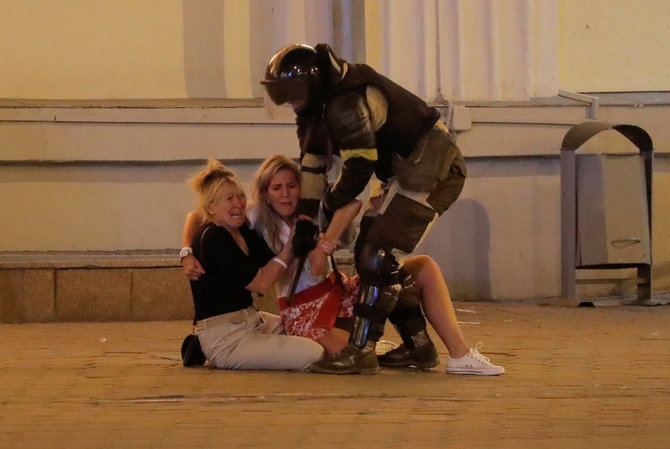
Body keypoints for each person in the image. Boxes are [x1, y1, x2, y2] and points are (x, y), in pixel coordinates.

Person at [183, 155, 504, 375]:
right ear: (265, 193)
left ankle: (459, 355)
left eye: (291, 185)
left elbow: (352, 203)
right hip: (304, 309)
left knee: (419, 268)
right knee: (355, 360)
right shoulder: (255, 216)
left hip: (337, 291)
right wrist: (187, 252)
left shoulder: (309, 210)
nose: (285, 194)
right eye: (276, 187)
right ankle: (407, 348)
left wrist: (327, 239)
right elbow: (197, 216)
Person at [260, 43, 469, 374]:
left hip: (431, 168)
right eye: (283, 95)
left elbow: (359, 166)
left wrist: (330, 204)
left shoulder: (346, 101)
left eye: (293, 94)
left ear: (312, 87)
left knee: (378, 255)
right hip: (403, 172)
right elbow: (312, 167)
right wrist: (304, 223)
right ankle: (419, 347)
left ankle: (361, 350)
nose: (291, 103)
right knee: (371, 259)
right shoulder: (316, 109)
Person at [184, 159, 324, 371]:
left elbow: (269, 260)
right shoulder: (214, 237)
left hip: (253, 321)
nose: (238, 204)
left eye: (240, 196)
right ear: (211, 207)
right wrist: (291, 245)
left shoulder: (241, 230)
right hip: (228, 338)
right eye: (229, 199)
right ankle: (209, 350)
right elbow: (261, 283)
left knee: (315, 334)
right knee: (314, 353)